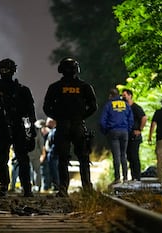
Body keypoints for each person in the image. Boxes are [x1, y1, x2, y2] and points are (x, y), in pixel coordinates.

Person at [43, 57, 98, 197]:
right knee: (83, 158)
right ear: (77, 69)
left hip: (62, 126)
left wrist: (58, 117)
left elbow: (46, 107)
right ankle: (87, 188)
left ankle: (63, 188)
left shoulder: (55, 87)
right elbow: (93, 107)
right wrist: (81, 117)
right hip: (78, 125)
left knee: (63, 159)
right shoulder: (85, 86)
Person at [0, 58, 37, 197]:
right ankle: (5, 186)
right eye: (3, 69)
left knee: (22, 159)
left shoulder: (22, 90)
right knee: (3, 160)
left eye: (7, 69)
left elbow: (30, 114)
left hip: (18, 128)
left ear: (12, 71)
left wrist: (30, 132)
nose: (5, 72)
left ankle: (25, 188)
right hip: (2, 128)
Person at [100, 88, 133, 186]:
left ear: (110, 96)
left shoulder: (109, 105)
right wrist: (128, 129)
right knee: (123, 154)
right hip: (124, 131)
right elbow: (131, 119)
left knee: (116, 155)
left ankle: (117, 178)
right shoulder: (126, 105)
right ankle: (126, 178)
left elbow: (102, 121)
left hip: (113, 132)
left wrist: (105, 131)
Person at [122, 89, 147, 181]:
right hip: (126, 135)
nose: (123, 97)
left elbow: (144, 118)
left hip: (134, 136)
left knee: (134, 156)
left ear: (130, 95)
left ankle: (137, 176)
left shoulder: (136, 107)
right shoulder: (123, 107)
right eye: (122, 95)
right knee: (129, 156)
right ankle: (133, 176)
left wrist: (140, 129)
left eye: (125, 95)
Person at [28, 119, 45, 192]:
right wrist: (42, 153)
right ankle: (37, 186)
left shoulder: (26, 130)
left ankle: (27, 186)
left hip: (27, 153)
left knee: (29, 170)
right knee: (37, 171)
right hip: (36, 154)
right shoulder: (37, 131)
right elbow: (40, 143)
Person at [45, 117, 59, 191]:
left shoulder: (55, 131)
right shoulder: (52, 131)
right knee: (53, 170)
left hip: (53, 153)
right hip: (52, 153)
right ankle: (55, 184)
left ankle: (56, 185)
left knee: (55, 170)